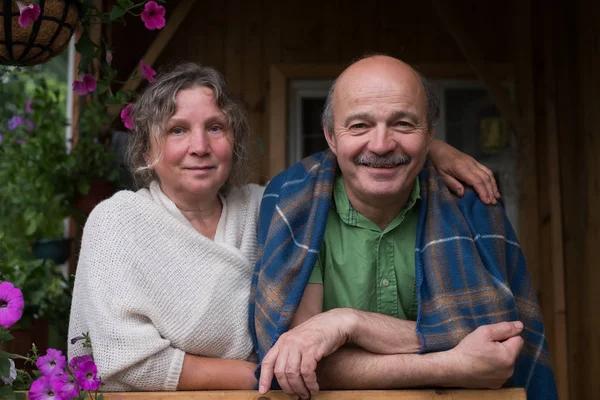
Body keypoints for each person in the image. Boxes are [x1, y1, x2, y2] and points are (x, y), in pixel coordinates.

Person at [68, 62, 501, 391]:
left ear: (233, 142)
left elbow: (354, 158)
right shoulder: (117, 220)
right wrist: (266, 376)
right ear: (146, 146)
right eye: (178, 130)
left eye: (214, 128)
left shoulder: (266, 207)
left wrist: (433, 152)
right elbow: (125, 357)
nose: (199, 146)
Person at [251, 55, 557, 400]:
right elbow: (300, 362)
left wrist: (348, 323)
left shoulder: (473, 207)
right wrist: (454, 364)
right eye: (359, 126)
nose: (381, 145)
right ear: (331, 137)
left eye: (403, 124)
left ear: (429, 135)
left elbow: (498, 347)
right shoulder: (294, 205)